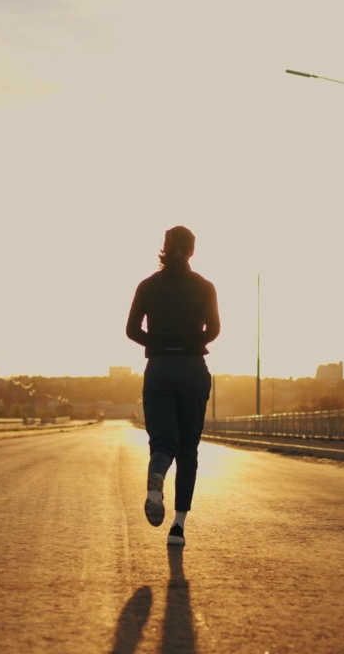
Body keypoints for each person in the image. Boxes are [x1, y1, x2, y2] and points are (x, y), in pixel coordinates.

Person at [126, 226, 220, 547]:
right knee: (188, 450)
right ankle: (178, 528)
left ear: (164, 247)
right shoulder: (204, 287)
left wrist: (157, 343)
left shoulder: (148, 286)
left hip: (160, 370)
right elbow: (215, 329)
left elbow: (131, 330)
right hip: (192, 369)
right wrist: (190, 341)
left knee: (162, 443)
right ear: (192, 251)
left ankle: (156, 483)